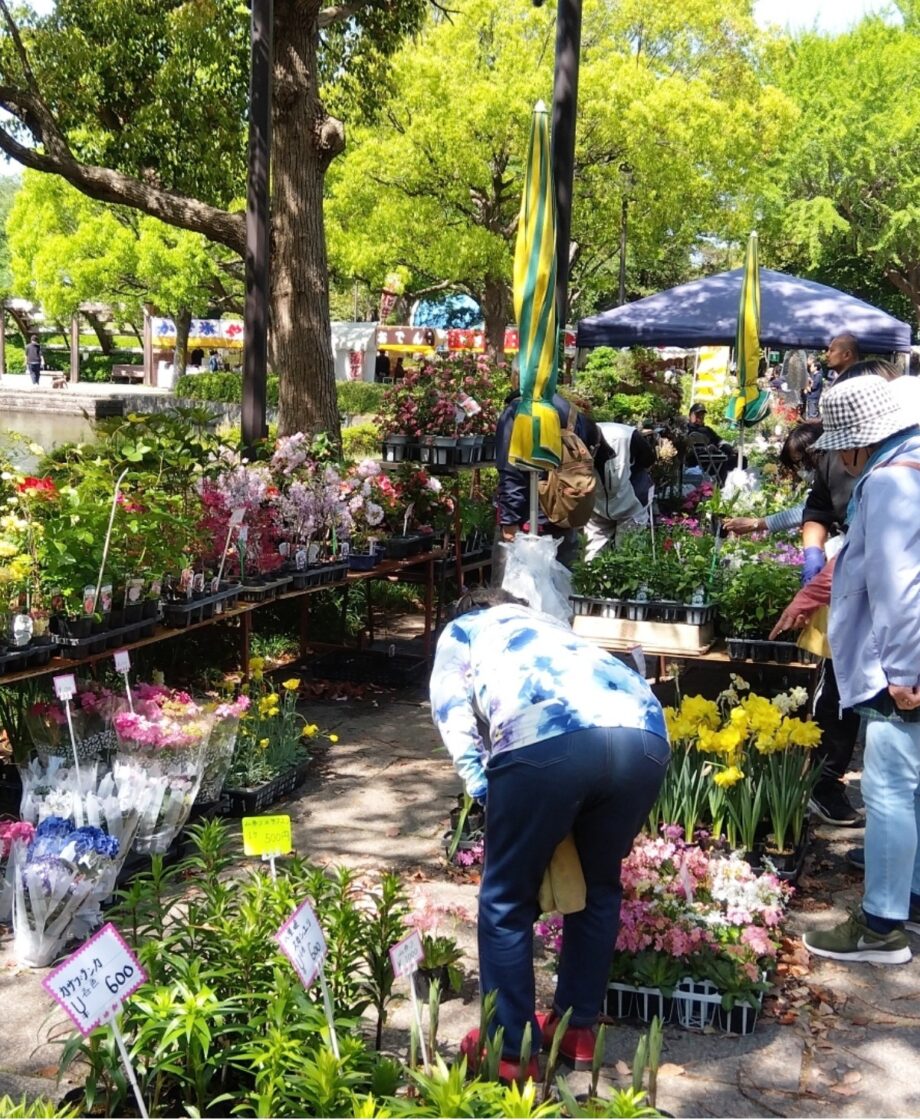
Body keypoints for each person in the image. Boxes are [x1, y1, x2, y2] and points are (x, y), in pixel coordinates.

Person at [430, 587, 669, 1076]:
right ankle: (577, 1028)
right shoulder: (554, 627)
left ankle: (512, 1051)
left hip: (544, 737)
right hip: (644, 736)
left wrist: (481, 786)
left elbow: (451, 709)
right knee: (599, 884)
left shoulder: (464, 628)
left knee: (505, 899)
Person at [794, 376, 920, 964]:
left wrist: (901, 670)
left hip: (907, 660)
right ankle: (910, 898)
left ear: (858, 443)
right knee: (912, 787)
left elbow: (899, 587)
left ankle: (880, 927)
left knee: (889, 788)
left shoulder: (893, 482)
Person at [495, 382, 610, 572]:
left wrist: (509, 522)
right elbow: (597, 446)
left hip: (529, 523)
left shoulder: (518, 411)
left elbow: (511, 472)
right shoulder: (570, 410)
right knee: (562, 587)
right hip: (566, 513)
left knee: (516, 594)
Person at [723, 422, 822, 537]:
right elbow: (807, 508)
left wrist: (754, 524)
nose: (801, 469)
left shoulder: (836, 478)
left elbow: (807, 511)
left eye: (802, 461)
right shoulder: (822, 480)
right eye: (797, 464)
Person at [584, 422, 655, 561]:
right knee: (590, 560)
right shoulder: (573, 443)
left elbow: (648, 460)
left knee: (628, 557)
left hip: (631, 503)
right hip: (596, 506)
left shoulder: (626, 436)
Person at [686, 403, 738, 480]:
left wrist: (729, 447)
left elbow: (719, 440)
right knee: (724, 461)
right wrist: (706, 449)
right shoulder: (686, 429)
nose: (700, 417)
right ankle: (719, 486)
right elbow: (687, 449)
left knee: (739, 458)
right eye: (697, 414)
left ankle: (724, 485)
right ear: (691, 415)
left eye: (702, 415)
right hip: (699, 460)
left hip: (713, 457)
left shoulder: (707, 429)